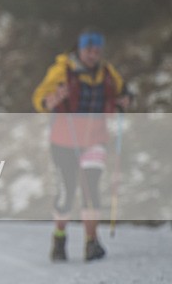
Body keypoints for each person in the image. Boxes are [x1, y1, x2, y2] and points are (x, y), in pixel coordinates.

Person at [32, 29, 130, 262]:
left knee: (91, 187)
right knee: (67, 191)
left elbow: (122, 91)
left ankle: (91, 241)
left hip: (95, 138)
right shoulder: (61, 71)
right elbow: (39, 98)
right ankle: (59, 238)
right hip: (63, 140)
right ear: (80, 49)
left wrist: (125, 99)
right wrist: (51, 100)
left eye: (97, 51)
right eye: (88, 50)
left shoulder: (107, 72)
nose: (92, 55)